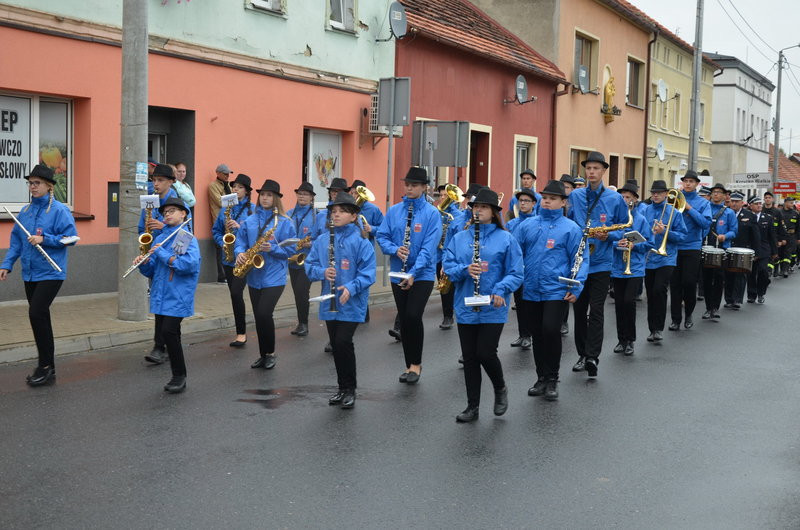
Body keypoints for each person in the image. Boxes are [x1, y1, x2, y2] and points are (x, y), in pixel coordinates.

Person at [443, 187, 522, 422]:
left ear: (493, 212)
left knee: (485, 353)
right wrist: (464, 270)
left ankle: (500, 388)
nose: (478, 211)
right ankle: (472, 406)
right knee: (469, 357)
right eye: (475, 207)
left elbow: (516, 272)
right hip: (466, 303)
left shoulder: (506, 238)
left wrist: (501, 289)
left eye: (483, 207)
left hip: (493, 304)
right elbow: (448, 266)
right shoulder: (459, 238)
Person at [0, 165, 78, 387]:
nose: (32, 187)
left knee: (36, 312)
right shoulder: (25, 212)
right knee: (40, 317)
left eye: (37, 183)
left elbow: (71, 238)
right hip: (30, 272)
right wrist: (7, 264)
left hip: (51, 271)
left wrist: (46, 240)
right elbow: (16, 242)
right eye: (30, 183)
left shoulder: (59, 210)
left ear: (49, 186)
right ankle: (48, 366)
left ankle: (44, 366)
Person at [517, 180, 588, 400]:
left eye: (553, 198)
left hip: (556, 289)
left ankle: (553, 378)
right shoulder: (527, 225)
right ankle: (541, 378)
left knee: (550, 329)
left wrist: (576, 286)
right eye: (545, 198)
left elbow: (581, 259)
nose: (547, 202)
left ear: (563, 202)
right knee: (537, 334)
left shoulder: (571, 228)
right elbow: (514, 254)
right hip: (530, 288)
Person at [304, 193, 376, 409]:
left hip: (352, 302)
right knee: (336, 344)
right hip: (330, 300)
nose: (336, 215)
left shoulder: (361, 242)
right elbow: (309, 266)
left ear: (354, 216)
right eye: (333, 211)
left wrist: (352, 287)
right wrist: (323, 272)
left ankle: (350, 389)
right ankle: (341, 388)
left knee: (344, 341)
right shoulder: (323, 239)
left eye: (342, 211)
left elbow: (369, 273)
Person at [376, 167, 442, 384]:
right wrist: (395, 249)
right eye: (408, 184)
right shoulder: (394, 211)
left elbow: (429, 248)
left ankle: (416, 364)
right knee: (404, 319)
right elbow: (382, 236)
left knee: (414, 315)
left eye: (415, 185)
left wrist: (413, 272)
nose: (410, 188)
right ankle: (409, 365)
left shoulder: (432, 213)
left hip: (421, 274)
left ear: (425, 188)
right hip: (398, 272)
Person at [567, 151, 629, 378]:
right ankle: (582, 354)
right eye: (588, 168)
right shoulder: (575, 196)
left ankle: (592, 356)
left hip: (602, 263)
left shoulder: (615, 199)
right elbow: (569, 223)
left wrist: (609, 236)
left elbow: (624, 228)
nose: (591, 172)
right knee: (579, 309)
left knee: (597, 310)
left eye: (596, 168)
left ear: (604, 171)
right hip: (579, 261)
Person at [134, 197, 200, 394]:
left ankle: (179, 376)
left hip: (178, 293)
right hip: (161, 293)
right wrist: (144, 263)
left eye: (172, 211)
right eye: (165, 212)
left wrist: (161, 253)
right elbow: (153, 271)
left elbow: (188, 265)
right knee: (169, 333)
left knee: (169, 332)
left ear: (183, 214)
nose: (167, 214)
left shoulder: (184, 237)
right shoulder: (160, 237)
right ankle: (177, 373)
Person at [234, 179, 296, 370]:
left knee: (264, 313)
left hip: (275, 276)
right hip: (254, 275)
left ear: (276, 198)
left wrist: (274, 249)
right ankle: (263, 355)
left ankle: (270, 353)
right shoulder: (250, 220)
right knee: (259, 316)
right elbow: (240, 241)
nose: (265, 198)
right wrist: (240, 253)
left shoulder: (285, 223)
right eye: (263, 195)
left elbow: (292, 251)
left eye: (270, 195)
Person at [139, 163, 189, 365]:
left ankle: (166, 344)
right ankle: (162, 345)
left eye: (160, 180)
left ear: (171, 182)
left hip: (172, 258)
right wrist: (144, 241)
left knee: (171, 306)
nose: (156, 184)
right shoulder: (149, 202)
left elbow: (186, 235)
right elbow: (140, 228)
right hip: (155, 257)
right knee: (159, 302)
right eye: (154, 180)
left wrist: (163, 226)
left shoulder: (179, 205)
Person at [211, 173, 254, 348]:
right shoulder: (225, 208)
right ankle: (240, 333)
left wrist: (240, 226)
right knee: (234, 296)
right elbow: (215, 230)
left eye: (240, 187)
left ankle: (244, 332)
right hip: (228, 258)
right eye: (234, 186)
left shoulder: (253, 209)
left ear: (247, 191)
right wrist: (222, 242)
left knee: (237, 292)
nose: (235, 189)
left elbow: (256, 233)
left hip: (244, 258)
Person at [642, 180, 687, 343]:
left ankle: (658, 328)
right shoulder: (645, 210)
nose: (655, 195)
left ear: (666, 194)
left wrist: (665, 231)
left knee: (659, 289)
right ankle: (652, 328)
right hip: (648, 257)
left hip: (667, 257)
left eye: (659, 193)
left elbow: (683, 236)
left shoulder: (675, 212)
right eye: (653, 192)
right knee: (650, 292)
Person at [611, 182, 651, 355]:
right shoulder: (616, 219)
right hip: (617, 266)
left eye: (628, 197)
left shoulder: (640, 219)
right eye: (623, 197)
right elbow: (606, 239)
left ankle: (631, 340)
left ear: (635, 199)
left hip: (634, 267)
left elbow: (649, 243)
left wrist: (636, 246)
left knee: (629, 301)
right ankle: (621, 339)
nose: (625, 200)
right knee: (619, 304)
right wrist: (615, 243)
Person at [668, 170, 711, 331]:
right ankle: (675, 319)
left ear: (697, 184)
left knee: (689, 282)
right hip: (674, 246)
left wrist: (688, 208)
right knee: (675, 284)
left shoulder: (703, 203)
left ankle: (688, 314)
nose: (688, 184)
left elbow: (705, 223)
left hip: (692, 246)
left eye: (691, 181)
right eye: (685, 181)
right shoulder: (673, 200)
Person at [313, 177, 349, 351]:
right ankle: (332, 338)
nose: (334, 194)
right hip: (326, 264)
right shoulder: (321, 215)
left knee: (343, 298)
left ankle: (342, 335)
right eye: (332, 192)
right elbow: (315, 238)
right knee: (328, 298)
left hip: (345, 263)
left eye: (338, 192)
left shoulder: (350, 214)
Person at [701, 184, 737, 320]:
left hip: (722, 249)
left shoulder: (729, 213)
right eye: (714, 192)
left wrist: (725, 236)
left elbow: (734, 231)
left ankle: (715, 308)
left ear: (724, 196)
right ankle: (707, 307)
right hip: (705, 247)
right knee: (706, 278)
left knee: (719, 278)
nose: (716, 194)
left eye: (719, 192)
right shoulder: (705, 209)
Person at [506, 188, 537, 350]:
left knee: (529, 303)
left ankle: (530, 335)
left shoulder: (537, 221)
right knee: (519, 302)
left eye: (527, 201)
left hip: (531, 268)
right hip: (516, 267)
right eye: (521, 201)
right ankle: (523, 334)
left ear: (533, 203)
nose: (523, 203)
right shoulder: (512, 223)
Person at [286, 182, 317, 337]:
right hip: (293, 259)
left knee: (302, 290)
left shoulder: (317, 215)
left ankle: (304, 324)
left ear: (311, 198)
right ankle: (301, 322)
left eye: (305, 194)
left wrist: (310, 243)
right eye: (300, 193)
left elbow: (323, 238)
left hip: (308, 260)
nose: (302, 196)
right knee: (297, 292)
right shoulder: (289, 214)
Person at [724, 191, 759, 310]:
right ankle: (728, 299)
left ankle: (737, 299)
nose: (734, 204)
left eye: (736, 202)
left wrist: (755, 252)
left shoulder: (750, 215)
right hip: (728, 248)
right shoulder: (725, 213)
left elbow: (755, 236)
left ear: (742, 203)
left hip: (743, 249)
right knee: (728, 274)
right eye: (732, 201)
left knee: (740, 275)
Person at [434, 183, 461, 330]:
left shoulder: (458, 216)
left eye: (446, 195)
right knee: (444, 286)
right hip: (437, 255)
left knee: (452, 286)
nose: (443, 198)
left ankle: (450, 315)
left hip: (453, 255)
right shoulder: (435, 213)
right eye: (441, 195)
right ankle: (448, 315)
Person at [746, 196, 777, 304]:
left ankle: (761, 293)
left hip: (764, 249)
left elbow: (772, 236)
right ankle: (751, 294)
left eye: (760, 203)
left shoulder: (768, 218)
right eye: (756, 203)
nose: (759, 205)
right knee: (751, 273)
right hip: (750, 249)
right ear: (750, 205)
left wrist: (774, 252)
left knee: (763, 271)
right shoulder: (746, 216)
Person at [209, 163, 233, 284]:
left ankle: (229, 273)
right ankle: (221, 275)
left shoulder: (229, 185)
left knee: (230, 247)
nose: (227, 176)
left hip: (230, 220)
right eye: (225, 173)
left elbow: (235, 201)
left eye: (228, 174)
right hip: (219, 219)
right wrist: (232, 199)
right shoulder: (213, 186)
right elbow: (220, 202)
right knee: (220, 248)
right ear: (218, 173)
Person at [762, 191, 786, 278]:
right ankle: (768, 272)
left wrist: (781, 239)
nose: (767, 199)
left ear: (772, 199)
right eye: (766, 198)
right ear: (764, 199)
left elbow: (781, 226)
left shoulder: (777, 212)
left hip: (774, 237)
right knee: (766, 256)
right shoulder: (761, 210)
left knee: (773, 255)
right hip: (763, 237)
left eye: (769, 198)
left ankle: (771, 270)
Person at [778, 196, 799, 277]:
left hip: (791, 236)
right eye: (790, 202)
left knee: (788, 252)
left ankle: (785, 270)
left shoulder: (795, 214)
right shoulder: (779, 212)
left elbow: (798, 227)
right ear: (785, 203)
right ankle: (781, 268)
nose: (792, 204)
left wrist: (798, 238)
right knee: (781, 253)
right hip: (781, 236)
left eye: (793, 202)